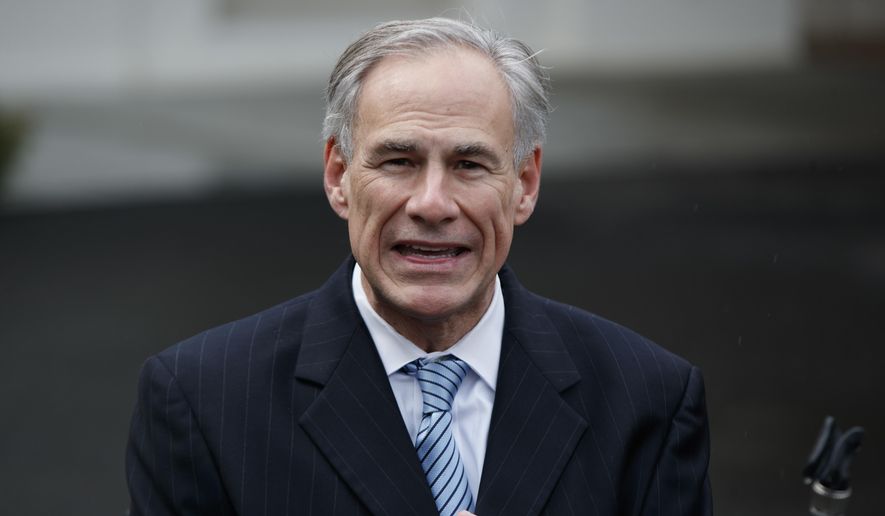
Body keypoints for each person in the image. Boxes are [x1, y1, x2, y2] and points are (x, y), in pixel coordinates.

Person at [126, 17, 711, 516]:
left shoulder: (647, 400)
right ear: (339, 177)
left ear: (525, 184)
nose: (432, 203)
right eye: (399, 160)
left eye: (469, 164)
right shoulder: (204, 402)